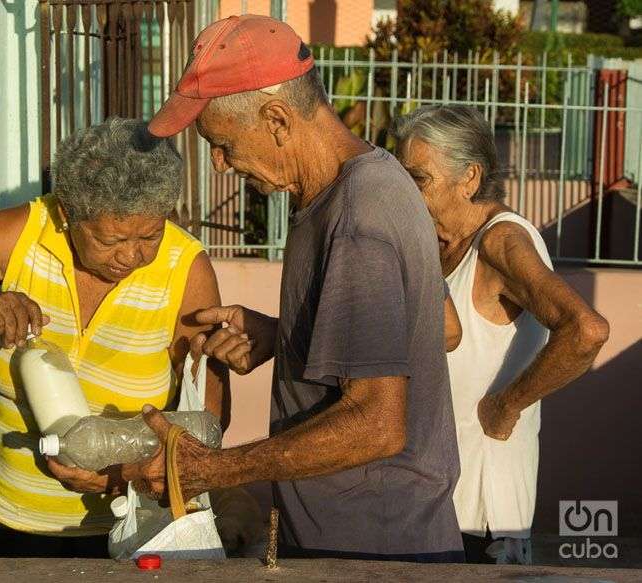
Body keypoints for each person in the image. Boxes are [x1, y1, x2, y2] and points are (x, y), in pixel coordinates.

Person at [122, 14, 464, 562]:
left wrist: (211, 469)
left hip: (370, 551)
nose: (220, 162)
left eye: (223, 143)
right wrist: (285, 337)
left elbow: (377, 425)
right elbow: (432, 332)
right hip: (357, 537)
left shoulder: (358, 219)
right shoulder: (355, 186)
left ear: (277, 119)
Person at [0, 118, 228, 557]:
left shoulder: (185, 268)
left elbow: (208, 419)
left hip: (137, 534)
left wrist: (123, 476)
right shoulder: (24, 236)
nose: (131, 255)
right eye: (111, 240)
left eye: (149, 235)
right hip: (9, 526)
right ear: (67, 215)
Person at [391, 105, 609, 564]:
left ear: (470, 178)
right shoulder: (445, 244)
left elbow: (586, 330)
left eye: (419, 179)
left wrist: (505, 405)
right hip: (434, 500)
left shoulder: (501, 242)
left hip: (479, 512)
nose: (406, 193)